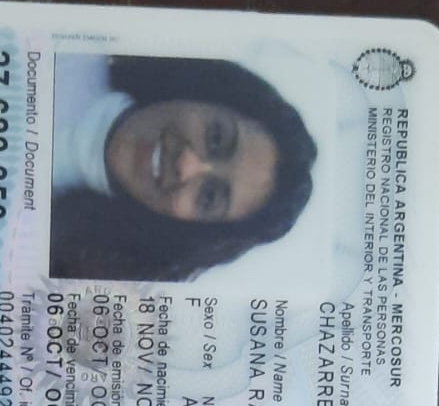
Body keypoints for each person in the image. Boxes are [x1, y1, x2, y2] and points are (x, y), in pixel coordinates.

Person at [49, 54, 317, 281]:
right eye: (216, 138)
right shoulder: (67, 51)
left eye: (209, 196)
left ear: (188, 229)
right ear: (203, 94)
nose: (187, 164)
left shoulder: (59, 272)